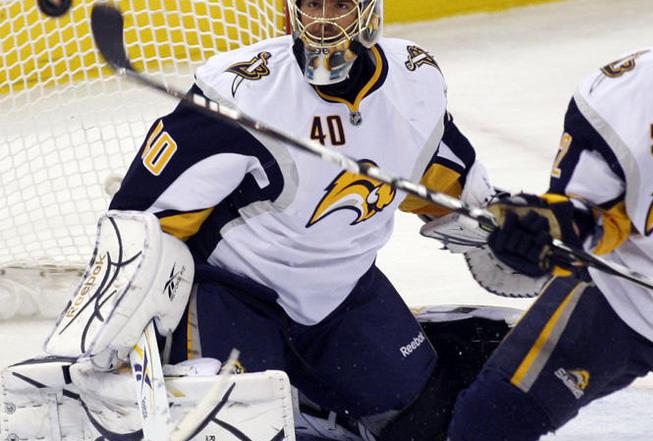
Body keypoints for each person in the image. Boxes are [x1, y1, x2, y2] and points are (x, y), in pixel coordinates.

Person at [106, 0, 496, 439]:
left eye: (341, 5)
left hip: (342, 295)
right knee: (229, 426)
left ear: (369, 12)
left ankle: (308, 402)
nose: (324, 19)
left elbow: (456, 191)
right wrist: (114, 334)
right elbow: (142, 217)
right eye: (312, 3)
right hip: (235, 295)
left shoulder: (414, 83)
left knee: (428, 422)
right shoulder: (245, 92)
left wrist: (515, 230)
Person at [448, 0, 653, 440]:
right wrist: (546, 231)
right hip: (620, 295)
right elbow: (597, 215)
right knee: (487, 421)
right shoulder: (616, 94)